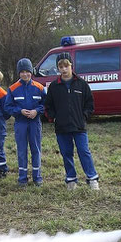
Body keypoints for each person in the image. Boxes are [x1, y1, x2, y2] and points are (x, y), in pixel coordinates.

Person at [44, 52, 99, 190]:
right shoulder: (54, 86)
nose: (63, 69)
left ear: (71, 66)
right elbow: (48, 105)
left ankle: (92, 178)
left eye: (66, 66)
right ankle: (71, 179)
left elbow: (89, 104)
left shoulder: (81, 84)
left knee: (83, 151)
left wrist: (84, 116)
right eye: (60, 66)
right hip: (61, 128)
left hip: (79, 126)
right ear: (58, 68)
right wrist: (53, 117)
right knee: (66, 153)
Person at [5, 58, 46, 187]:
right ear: (19, 73)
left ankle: (37, 177)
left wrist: (37, 111)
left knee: (36, 149)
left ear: (31, 71)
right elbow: (8, 107)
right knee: (22, 150)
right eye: (22, 72)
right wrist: (19, 111)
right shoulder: (12, 89)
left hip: (35, 123)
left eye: (27, 71)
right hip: (20, 123)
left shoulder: (39, 88)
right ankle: (22, 178)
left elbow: (46, 104)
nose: (25, 74)